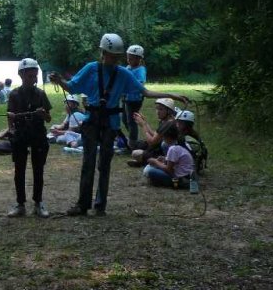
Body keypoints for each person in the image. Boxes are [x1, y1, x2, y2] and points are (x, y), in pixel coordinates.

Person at [49, 33, 189, 216]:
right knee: (88, 163)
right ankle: (83, 205)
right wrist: (60, 81)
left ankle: (100, 206)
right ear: (103, 53)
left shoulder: (123, 73)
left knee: (104, 165)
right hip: (92, 122)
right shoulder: (91, 69)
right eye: (112, 55)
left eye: (117, 57)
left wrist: (171, 96)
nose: (114, 59)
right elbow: (72, 87)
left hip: (110, 124)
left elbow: (145, 92)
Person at [6, 58, 52, 218]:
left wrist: (43, 114)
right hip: (21, 135)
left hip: (38, 134)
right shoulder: (14, 94)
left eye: (34, 76)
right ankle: (20, 204)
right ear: (21, 75)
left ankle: (38, 203)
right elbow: (10, 117)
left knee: (38, 169)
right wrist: (11, 127)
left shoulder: (40, 94)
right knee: (19, 170)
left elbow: (48, 119)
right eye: (29, 76)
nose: (32, 79)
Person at [127, 97, 178, 166]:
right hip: (160, 146)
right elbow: (155, 135)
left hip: (163, 152)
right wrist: (145, 122)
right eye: (157, 108)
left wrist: (143, 125)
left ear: (169, 111)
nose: (157, 111)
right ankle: (145, 160)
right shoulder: (166, 120)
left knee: (135, 153)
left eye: (161, 109)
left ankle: (149, 162)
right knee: (139, 144)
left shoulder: (168, 124)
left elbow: (151, 142)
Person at [123, 44, 147, 146]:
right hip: (126, 98)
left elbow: (140, 83)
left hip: (135, 99)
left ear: (138, 59)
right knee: (125, 119)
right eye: (128, 58)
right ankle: (133, 138)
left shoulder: (140, 70)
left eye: (131, 58)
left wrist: (128, 86)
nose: (129, 60)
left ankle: (133, 143)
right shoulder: (128, 67)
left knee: (131, 121)